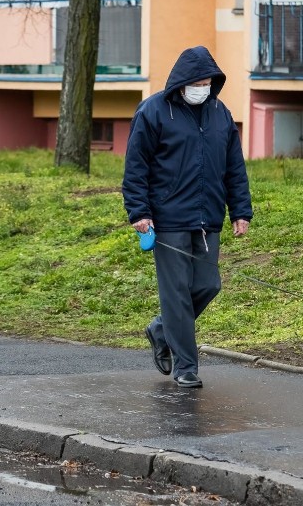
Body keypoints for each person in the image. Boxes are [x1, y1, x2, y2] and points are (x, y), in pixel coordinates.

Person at [122, 46, 252, 388]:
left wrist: (241, 210)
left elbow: (234, 168)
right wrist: (139, 211)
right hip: (167, 220)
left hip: (208, 218)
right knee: (177, 292)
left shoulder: (220, 114)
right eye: (197, 81)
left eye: (208, 81)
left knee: (208, 285)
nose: (203, 87)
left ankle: (162, 329)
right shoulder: (153, 111)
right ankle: (186, 366)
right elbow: (136, 166)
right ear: (182, 81)